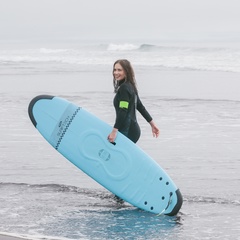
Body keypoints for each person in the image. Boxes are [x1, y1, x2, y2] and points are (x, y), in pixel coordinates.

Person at [107, 59, 160, 144]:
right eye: (115, 69)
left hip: (127, 131)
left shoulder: (124, 88)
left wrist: (114, 131)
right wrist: (152, 125)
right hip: (133, 130)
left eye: (119, 70)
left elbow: (123, 110)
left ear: (126, 71)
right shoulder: (130, 86)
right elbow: (140, 106)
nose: (116, 72)